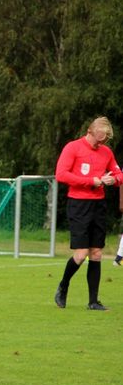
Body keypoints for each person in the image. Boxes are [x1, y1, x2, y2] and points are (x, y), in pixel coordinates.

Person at [54, 117, 122, 310]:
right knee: (82, 253)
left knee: (97, 252)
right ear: (90, 131)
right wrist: (92, 181)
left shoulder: (106, 152)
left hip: (98, 206)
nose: (101, 143)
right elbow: (61, 174)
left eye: (105, 140)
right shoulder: (73, 148)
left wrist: (113, 181)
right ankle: (63, 285)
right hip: (78, 204)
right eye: (99, 139)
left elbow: (119, 174)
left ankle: (93, 301)